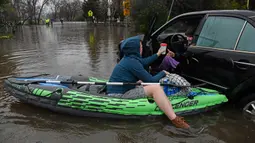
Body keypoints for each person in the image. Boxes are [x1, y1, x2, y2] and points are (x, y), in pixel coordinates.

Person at [107, 36, 190, 129]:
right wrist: (163, 72)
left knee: (143, 82)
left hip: (121, 89)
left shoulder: (129, 58)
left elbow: (144, 62)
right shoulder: (132, 62)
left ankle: (163, 101)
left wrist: (158, 54)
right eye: (140, 47)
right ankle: (175, 119)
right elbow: (151, 81)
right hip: (119, 95)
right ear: (135, 49)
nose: (142, 48)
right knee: (155, 88)